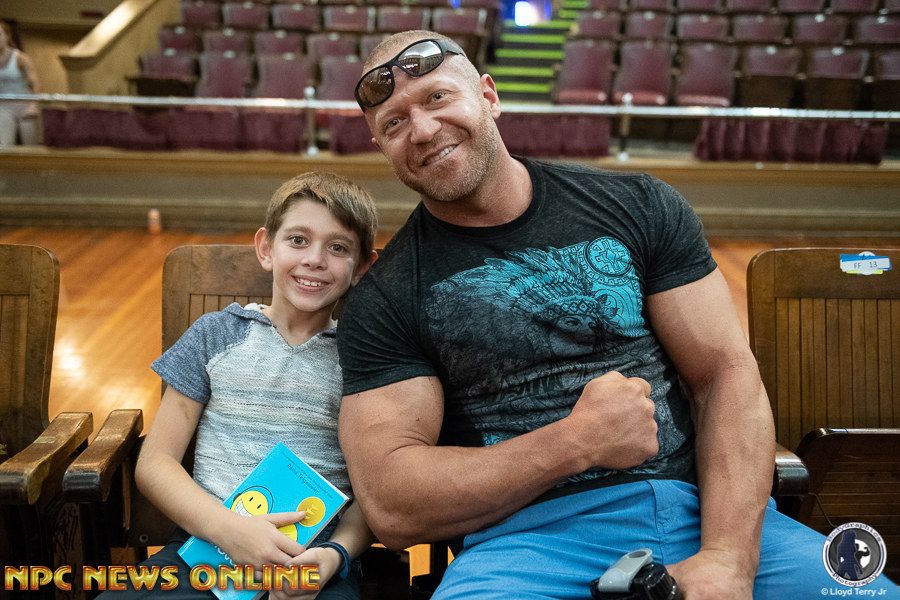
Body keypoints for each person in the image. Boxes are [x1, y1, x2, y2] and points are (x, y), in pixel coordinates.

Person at [335, 30, 898, 599]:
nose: (422, 130)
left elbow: (724, 374)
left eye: (437, 98)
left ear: (488, 95)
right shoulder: (385, 297)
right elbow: (393, 506)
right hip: (523, 546)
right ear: (381, 146)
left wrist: (727, 559)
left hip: (699, 511)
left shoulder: (638, 205)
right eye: (394, 123)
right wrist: (575, 442)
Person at [102, 171, 378, 600]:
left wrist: (335, 555)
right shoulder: (215, 335)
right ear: (266, 248)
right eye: (298, 240)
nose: (315, 259)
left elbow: (377, 491)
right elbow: (155, 463)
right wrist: (230, 530)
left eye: (338, 248)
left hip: (312, 565)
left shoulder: (366, 360)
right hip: (203, 549)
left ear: (361, 267)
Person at [0, 20, 40, 146]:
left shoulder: (20, 58)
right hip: (4, 106)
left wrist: (33, 105)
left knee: (30, 144)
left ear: (7, 36)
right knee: (5, 144)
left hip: (24, 105)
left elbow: (35, 83)